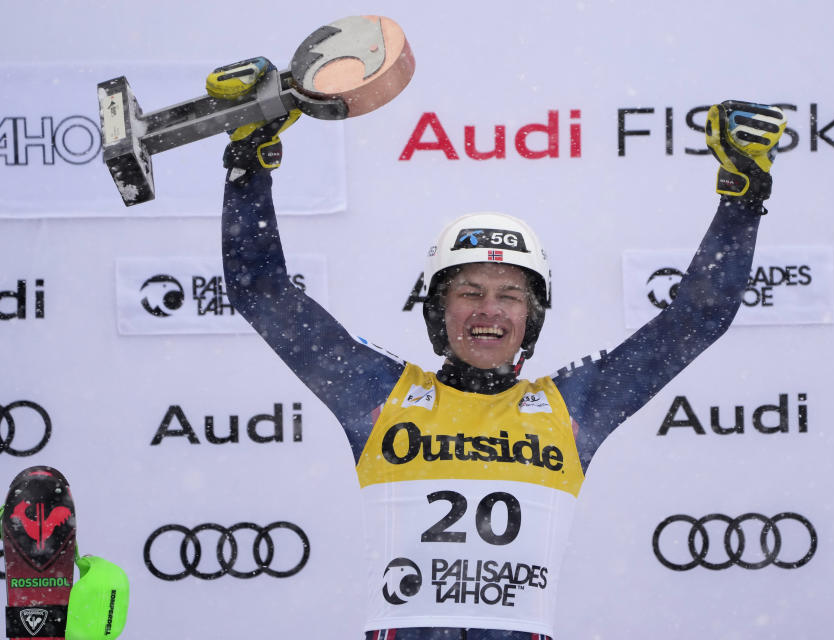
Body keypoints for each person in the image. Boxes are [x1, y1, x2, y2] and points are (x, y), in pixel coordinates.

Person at [213, 61, 786, 640]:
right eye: (469, 293)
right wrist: (248, 161)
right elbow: (260, 291)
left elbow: (699, 317)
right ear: (440, 312)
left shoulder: (575, 407)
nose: (489, 310)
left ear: (530, 319)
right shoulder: (377, 393)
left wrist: (743, 195)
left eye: (510, 295)